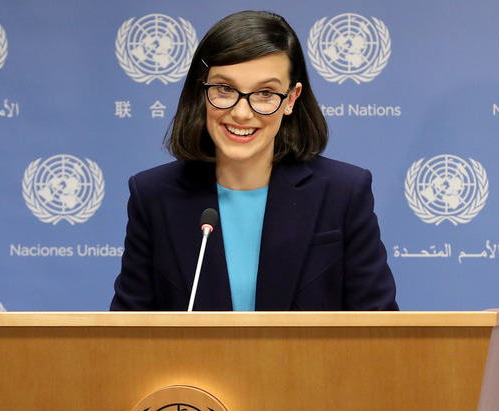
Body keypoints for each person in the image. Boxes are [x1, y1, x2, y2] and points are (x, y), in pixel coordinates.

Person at [110, 11, 397, 311]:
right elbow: (128, 334)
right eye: (224, 89)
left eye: (264, 93)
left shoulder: (344, 193)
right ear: (202, 90)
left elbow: (379, 333)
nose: (242, 113)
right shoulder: (153, 196)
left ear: (291, 99)